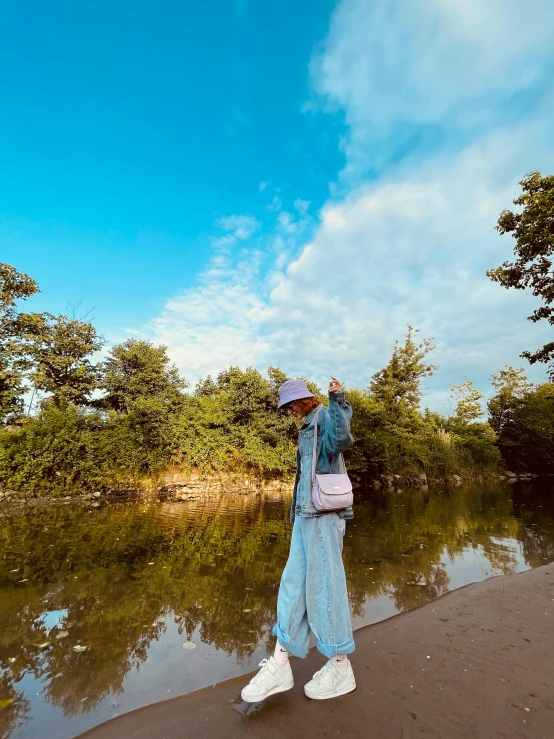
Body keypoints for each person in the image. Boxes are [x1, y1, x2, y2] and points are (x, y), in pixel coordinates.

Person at [241, 376, 356, 702]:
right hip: (305, 517)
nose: (289, 410)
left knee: (326, 589)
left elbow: (342, 439)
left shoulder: (322, 417)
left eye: (291, 403)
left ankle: (340, 665)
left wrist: (337, 398)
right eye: (286, 406)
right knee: (293, 587)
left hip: (323, 517)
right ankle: (279, 663)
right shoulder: (307, 425)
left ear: (304, 399)